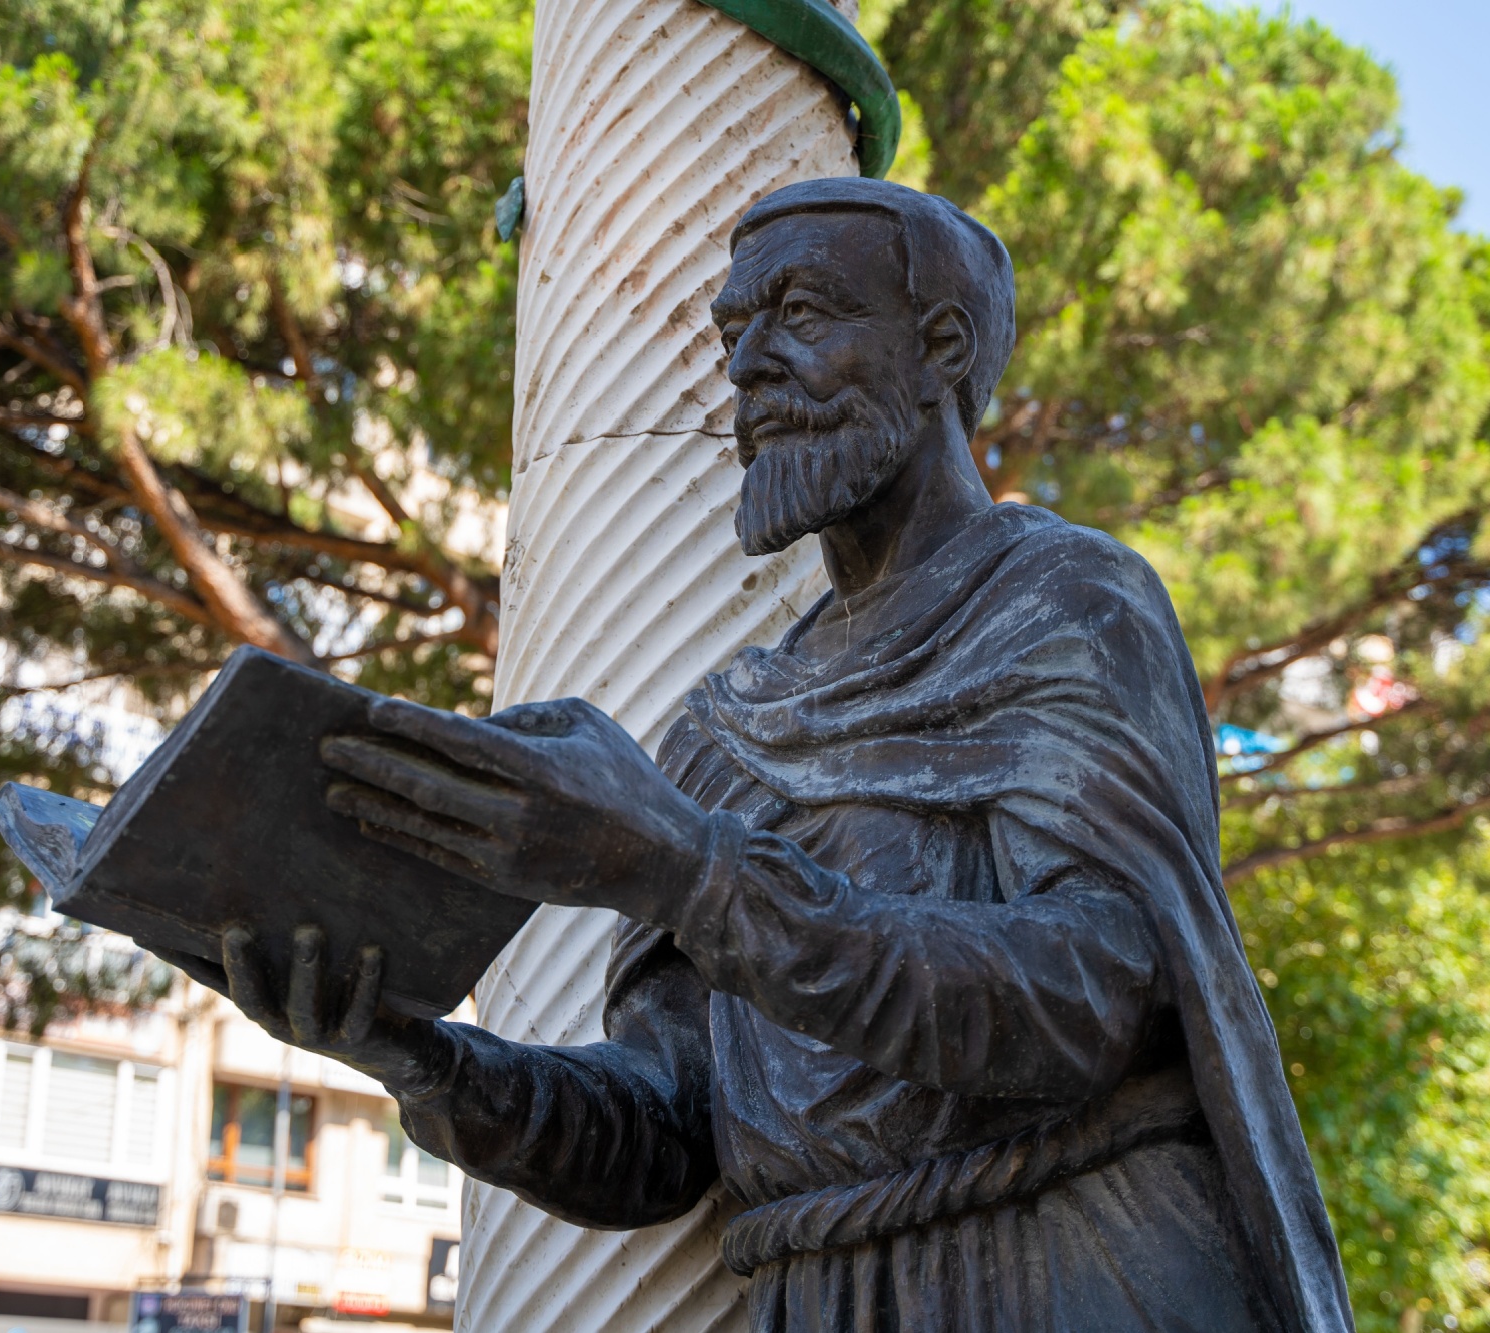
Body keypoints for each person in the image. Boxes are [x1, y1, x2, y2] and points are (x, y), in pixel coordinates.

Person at [213, 178, 1354, 1332]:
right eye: (732, 331)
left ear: (938, 348)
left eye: (802, 314)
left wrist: (687, 871)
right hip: (813, 1294)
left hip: (1060, 1265)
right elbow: (668, 1128)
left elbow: (1089, 993)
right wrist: (425, 1060)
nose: (748, 364)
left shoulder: (1061, 604)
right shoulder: (722, 730)